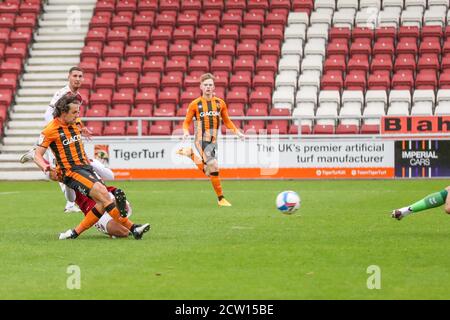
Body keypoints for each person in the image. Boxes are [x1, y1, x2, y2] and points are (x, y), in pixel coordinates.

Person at [34, 93, 150, 240]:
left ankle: (73, 233)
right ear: (63, 112)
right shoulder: (50, 130)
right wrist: (45, 167)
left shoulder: (75, 122)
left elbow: (79, 127)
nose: (77, 116)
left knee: (102, 202)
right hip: (71, 171)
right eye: (74, 112)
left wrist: (84, 130)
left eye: (78, 112)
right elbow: (37, 155)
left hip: (85, 168)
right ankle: (134, 229)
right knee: (104, 194)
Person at [19, 66, 98, 213]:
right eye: (75, 76)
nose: (78, 79)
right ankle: (70, 203)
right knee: (60, 169)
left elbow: (73, 116)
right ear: (69, 77)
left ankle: (70, 203)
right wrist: (57, 132)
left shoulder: (78, 96)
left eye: (80, 76)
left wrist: (81, 126)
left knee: (61, 169)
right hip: (55, 135)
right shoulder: (62, 93)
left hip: (61, 133)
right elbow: (48, 114)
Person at [178, 73, 244, 207]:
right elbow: (186, 122)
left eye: (210, 85)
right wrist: (185, 131)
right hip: (201, 139)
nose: (208, 87)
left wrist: (237, 133)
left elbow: (227, 121)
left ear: (214, 87)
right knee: (213, 165)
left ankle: (191, 155)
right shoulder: (195, 104)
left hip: (213, 141)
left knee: (210, 171)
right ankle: (221, 199)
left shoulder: (220, 103)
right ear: (201, 86)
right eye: (206, 85)